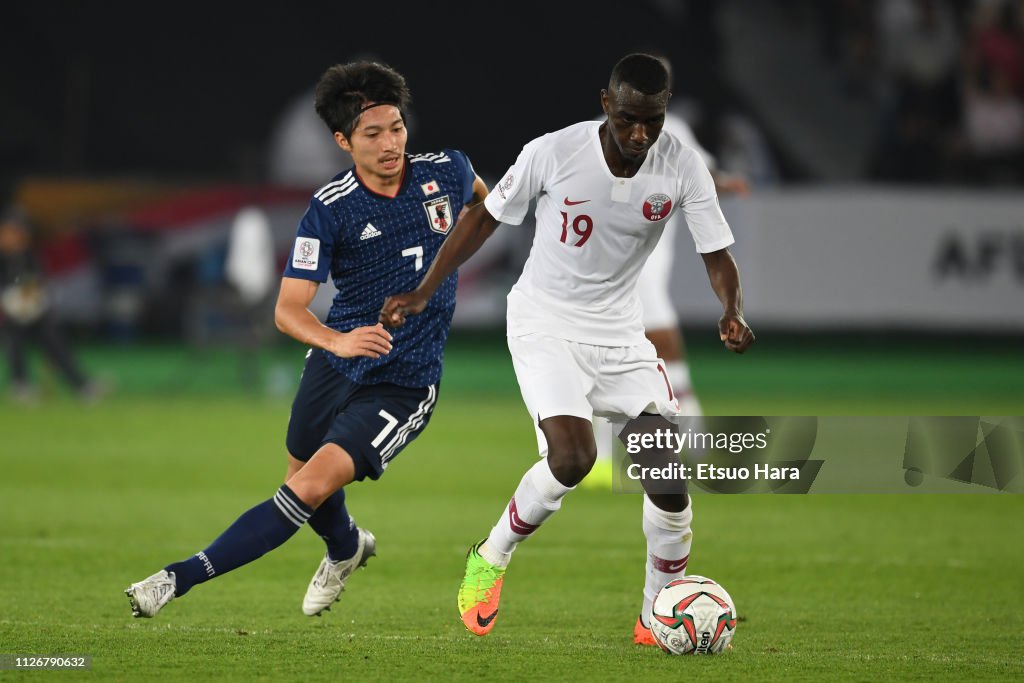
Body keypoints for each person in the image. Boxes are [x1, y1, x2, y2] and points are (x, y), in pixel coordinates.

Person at [380, 53, 754, 645]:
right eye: (630, 118)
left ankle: (654, 613)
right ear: (607, 104)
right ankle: (491, 556)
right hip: (544, 321)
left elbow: (717, 255)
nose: (640, 134)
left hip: (620, 333)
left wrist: (731, 310)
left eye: (652, 122)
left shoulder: (680, 163)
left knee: (667, 478)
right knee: (574, 458)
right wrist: (426, 290)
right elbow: (485, 217)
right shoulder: (553, 152)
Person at [125, 61, 488, 618]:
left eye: (396, 127)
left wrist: (438, 280)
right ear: (343, 141)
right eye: (372, 134)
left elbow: (484, 210)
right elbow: (287, 310)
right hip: (336, 363)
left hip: (403, 380)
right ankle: (347, 548)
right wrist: (338, 342)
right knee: (299, 477)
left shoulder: (449, 170)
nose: (390, 143)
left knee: (307, 487)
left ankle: (179, 578)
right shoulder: (332, 208)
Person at [584, 105, 750, 489]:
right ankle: (695, 450)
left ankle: (605, 462)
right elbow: (699, 171)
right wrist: (723, 182)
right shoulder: (668, 127)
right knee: (664, 360)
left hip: (613, 274)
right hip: (633, 275)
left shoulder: (600, 130)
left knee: (603, 364)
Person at [0, 206, 102, 403]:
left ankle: (81, 386)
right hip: (7, 313)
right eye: (9, 231)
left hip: (32, 309)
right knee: (14, 340)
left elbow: (37, 282)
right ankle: (20, 386)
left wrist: (28, 302)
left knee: (54, 340)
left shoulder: (29, 256)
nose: (14, 236)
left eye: (18, 231)